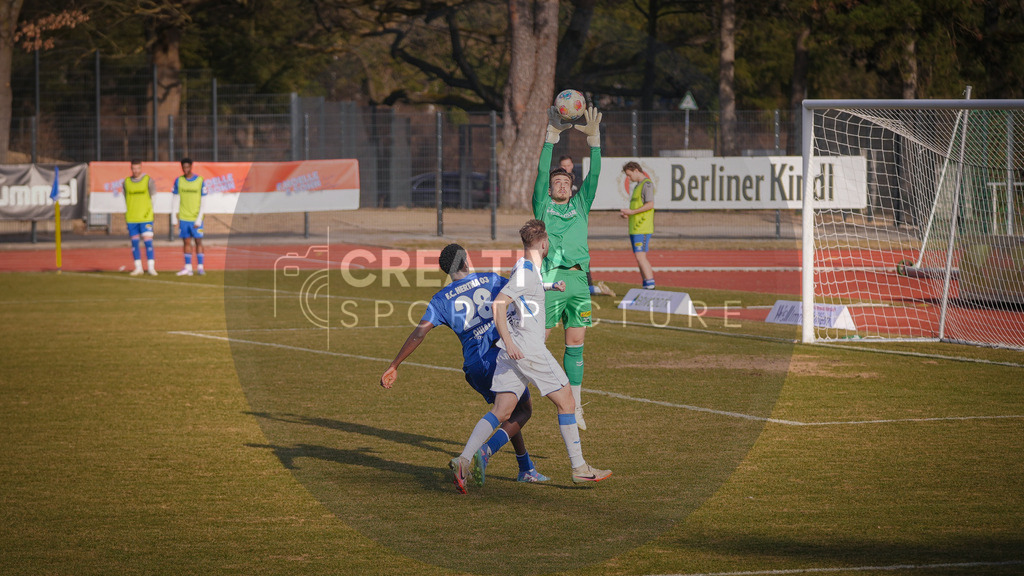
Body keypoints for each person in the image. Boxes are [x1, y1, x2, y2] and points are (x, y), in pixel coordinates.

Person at [449, 219, 612, 492]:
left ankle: (464, 460)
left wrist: (551, 286)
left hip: (512, 352)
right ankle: (580, 468)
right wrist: (509, 341)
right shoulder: (526, 273)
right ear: (544, 244)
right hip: (528, 349)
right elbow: (500, 303)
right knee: (567, 401)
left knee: (501, 410)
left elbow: (525, 289)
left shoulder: (522, 267)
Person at [380, 244, 550, 489]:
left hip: (475, 367)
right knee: (523, 410)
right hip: (499, 357)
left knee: (507, 408)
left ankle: (526, 468)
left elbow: (419, 333)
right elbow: (520, 291)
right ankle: (475, 455)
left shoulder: (440, 300)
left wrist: (394, 365)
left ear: (447, 270)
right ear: (466, 261)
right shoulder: (491, 280)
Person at [533, 104, 602, 430]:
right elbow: (540, 173)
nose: (562, 184)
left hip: (578, 282)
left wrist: (594, 144)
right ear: (550, 189)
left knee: (575, 345)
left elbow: (595, 176)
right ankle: (516, 392)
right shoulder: (543, 205)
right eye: (557, 181)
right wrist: (550, 138)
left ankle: (575, 405)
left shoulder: (581, 205)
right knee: (537, 343)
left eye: (566, 181)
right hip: (550, 280)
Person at [560, 154, 616, 299]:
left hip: (577, 223)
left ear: (572, 165)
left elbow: (586, 198)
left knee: (581, 253)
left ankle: (589, 286)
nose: (566, 168)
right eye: (563, 166)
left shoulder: (579, 181)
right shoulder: (556, 182)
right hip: (561, 224)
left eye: (568, 165)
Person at [620, 161, 656, 289]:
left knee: (641, 256)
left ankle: (650, 284)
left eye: (629, 175)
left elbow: (650, 204)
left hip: (643, 227)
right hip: (635, 228)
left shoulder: (647, 184)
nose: (629, 178)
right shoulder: (637, 186)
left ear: (636, 170)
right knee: (638, 257)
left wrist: (632, 212)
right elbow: (638, 206)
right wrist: (628, 214)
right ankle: (646, 284)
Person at [123, 159, 158, 276]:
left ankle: (151, 267)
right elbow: (125, 197)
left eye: (138, 168)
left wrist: (149, 211)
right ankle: (138, 268)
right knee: (134, 243)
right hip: (132, 218)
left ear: (141, 168)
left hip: (146, 218)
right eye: (134, 168)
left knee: (148, 242)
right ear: (131, 169)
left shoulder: (148, 180)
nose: (136, 171)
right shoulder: (126, 182)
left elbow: (154, 197)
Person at [172, 158, 207, 276]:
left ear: (191, 167)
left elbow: (203, 201)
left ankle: (200, 267)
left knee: (198, 241)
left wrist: (199, 218)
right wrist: (174, 217)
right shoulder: (179, 181)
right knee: (186, 242)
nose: (186, 169)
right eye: (184, 167)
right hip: (184, 218)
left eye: (188, 167)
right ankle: (188, 268)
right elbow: (175, 199)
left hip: (196, 218)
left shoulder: (200, 180)